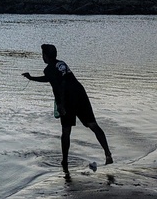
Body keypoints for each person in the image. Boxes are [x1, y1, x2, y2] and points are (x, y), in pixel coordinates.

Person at [22, 44, 113, 174]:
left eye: (43, 54)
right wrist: (31, 78)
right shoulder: (62, 64)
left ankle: (64, 161)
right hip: (80, 93)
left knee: (66, 131)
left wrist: (60, 104)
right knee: (92, 124)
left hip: (68, 98)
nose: (42, 56)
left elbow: (58, 86)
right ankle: (108, 154)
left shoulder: (49, 69)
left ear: (46, 56)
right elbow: (53, 79)